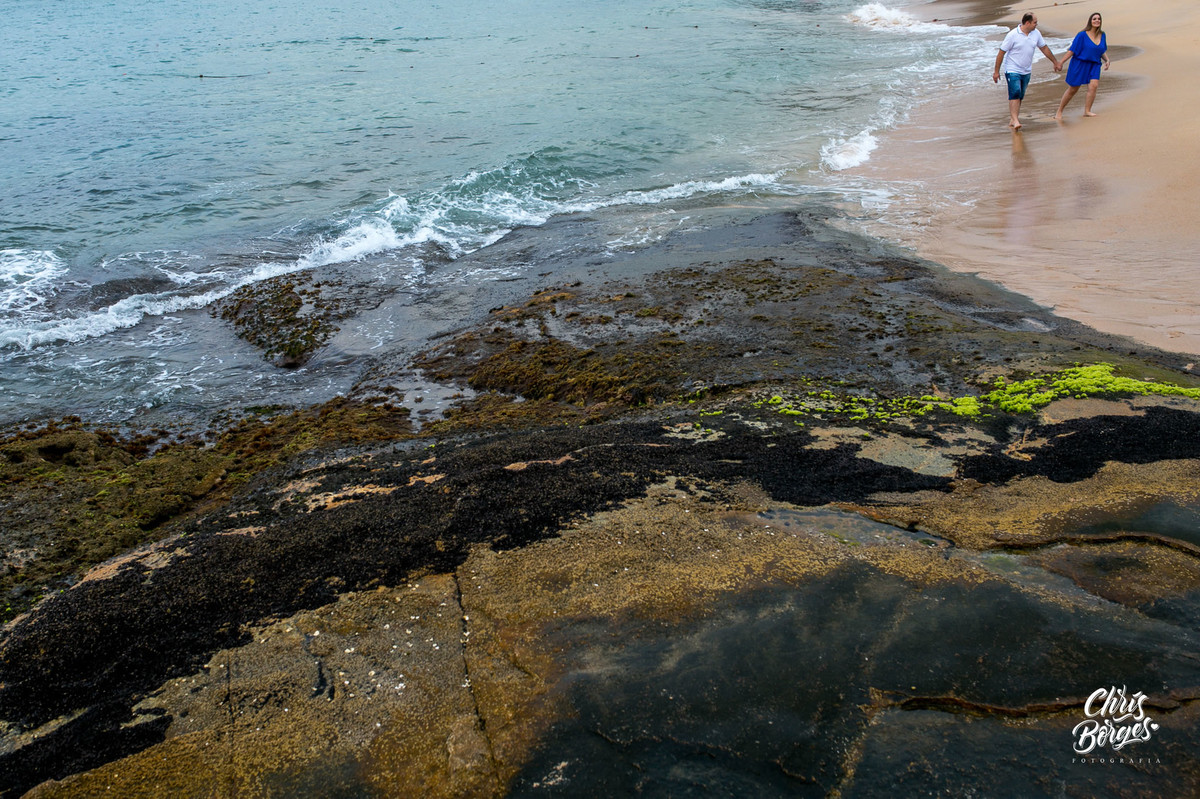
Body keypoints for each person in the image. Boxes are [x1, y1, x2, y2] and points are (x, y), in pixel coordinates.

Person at [992, 12, 1062, 130]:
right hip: (1012, 68)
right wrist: (996, 71)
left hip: (1026, 70)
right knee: (1015, 92)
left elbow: (1043, 48)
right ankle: (1015, 120)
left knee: (1020, 95)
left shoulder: (1036, 33)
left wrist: (1055, 62)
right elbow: (1001, 52)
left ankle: (1013, 119)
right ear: (1028, 23)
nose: (1036, 25)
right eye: (1035, 22)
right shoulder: (1012, 35)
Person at [1055, 12, 1110, 119]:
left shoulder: (1102, 35)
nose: (1097, 20)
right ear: (1090, 21)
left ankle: (1087, 111)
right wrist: (1061, 62)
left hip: (1094, 64)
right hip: (1080, 64)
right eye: (1094, 19)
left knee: (1093, 86)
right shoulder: (1082, 35)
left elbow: (1100, 50)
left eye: (1099, 19)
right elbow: (1072, 51)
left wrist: (1107, 60)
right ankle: (1059, 111)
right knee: (1073, 89)